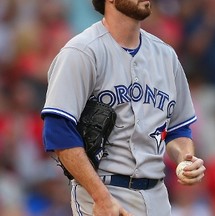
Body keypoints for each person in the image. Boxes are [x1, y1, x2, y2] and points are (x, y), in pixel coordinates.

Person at [41, 0, 206, 215]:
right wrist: (100, 197)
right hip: (103, 191)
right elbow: (58, 131)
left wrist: (185, 157)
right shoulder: (81, 52)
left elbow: (177, 129)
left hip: (157, 196)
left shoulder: (166, 57)